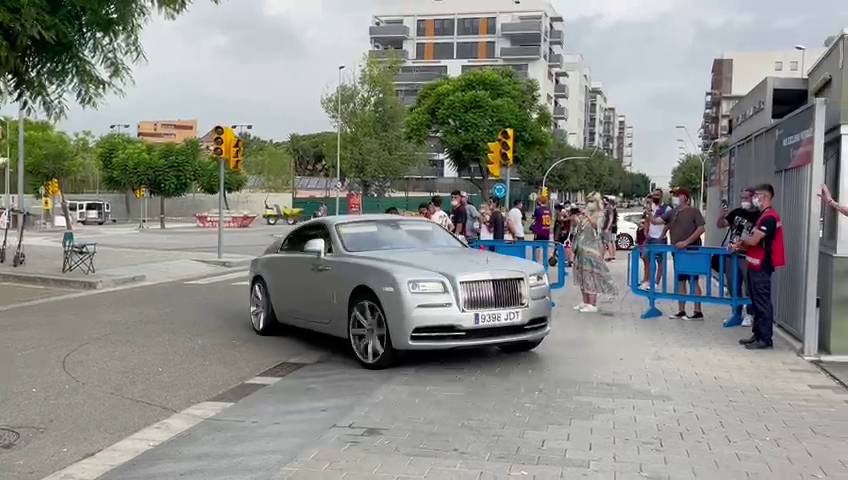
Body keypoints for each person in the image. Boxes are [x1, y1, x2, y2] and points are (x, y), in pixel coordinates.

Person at [733, 183, 785, 350]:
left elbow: (754, 240)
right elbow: (753, 242)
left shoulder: (770, 217)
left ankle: (765, 338)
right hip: (754, 263)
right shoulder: (763, 216)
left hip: (762, 266)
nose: (753, 199)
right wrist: (741, 244)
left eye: (756, 195)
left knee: (762, 302)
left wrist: (740, 232)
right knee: (755, 301)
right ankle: (757, 334)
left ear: (765, 197)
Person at [717, 188, 761, 327]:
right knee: (732, 284)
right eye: (742, 198)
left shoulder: (759, 215)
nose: (744, 201)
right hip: (732, 255)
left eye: (746, 198)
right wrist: (721, 215)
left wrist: (744, 244)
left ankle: (750, 314)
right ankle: (736, 312)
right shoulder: (736, 212)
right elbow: (720, 224)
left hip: (747, 256)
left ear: (754, 198)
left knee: (749, 286)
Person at [664, 187, 706, 320]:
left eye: (678, 195)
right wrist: (649, 211)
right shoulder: (673, 212)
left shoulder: (694, 211)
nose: (675, 197)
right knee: (680, 280)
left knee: (693, 280)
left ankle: (697, 311)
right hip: (678, 252)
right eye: (674, 195)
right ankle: (681, 310)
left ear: (685, 197)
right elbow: (659, 221)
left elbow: (701, 229)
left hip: (692, 251)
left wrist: (686, 242)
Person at [572, 193, 618, 313]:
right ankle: (585, 301)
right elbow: (578, 228)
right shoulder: (586, 215)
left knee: (590, 276)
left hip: (592, 250)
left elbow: (597, 227)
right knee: (581, 276)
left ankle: (592, 304)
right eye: (588, 201)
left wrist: (587, 216)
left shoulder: (600, 214)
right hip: (581, 249)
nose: (589, 204)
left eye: (591, 201)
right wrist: (577, 218)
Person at [641, 190, 669, 289]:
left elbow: (667, 224)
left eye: (657, 195)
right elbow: (647, 220)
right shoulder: (651, 206)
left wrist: (662, 235)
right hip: (650, 237)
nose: (654, 197)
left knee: (659, 260)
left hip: (659, 239)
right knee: (645, 257)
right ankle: (646, 280)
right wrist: (645, 231)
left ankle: (656, 282)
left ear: (661, 196)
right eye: (653, 195)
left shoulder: (666, 208)